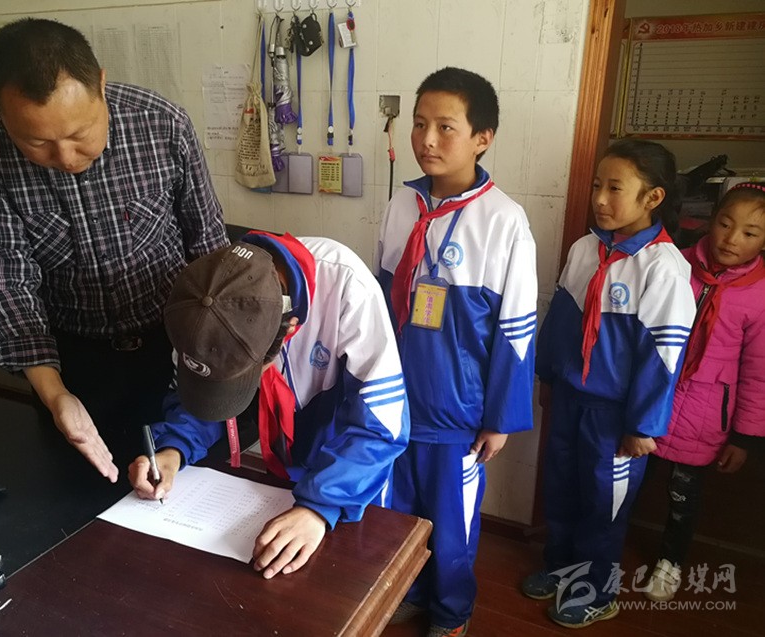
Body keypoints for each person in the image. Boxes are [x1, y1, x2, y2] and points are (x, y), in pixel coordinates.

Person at [0, 18, 228, 482]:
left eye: (79, 134)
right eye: (37, 142)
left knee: (187, 484)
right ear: (2, 115)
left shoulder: (162, 124)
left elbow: (209, 248)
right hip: (70, 361)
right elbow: (1, 276)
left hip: (174, 349)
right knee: (78, 491)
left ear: (100, 84)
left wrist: (216, 360)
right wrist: (56, 394)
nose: (64, 158)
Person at [129, 232, 410, 579]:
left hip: (349, 477)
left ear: (287, 331)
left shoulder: (347, 285)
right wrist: (174, 449)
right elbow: (202, 394)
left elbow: (382, 425)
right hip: (277, 477)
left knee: (346, 579)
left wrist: (319, 508)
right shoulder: (201, 301)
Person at [376, 67, 538, 637]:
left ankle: (451, 613)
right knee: (394, 511)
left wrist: (499, 419)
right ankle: (408, 591)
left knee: (452, 524)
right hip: (397, 400)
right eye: (419, 124)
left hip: (458, 414)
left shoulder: (503, 221)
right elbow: (380, 304)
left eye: (446, 127)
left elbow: (517, 330)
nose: (427, 139)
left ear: (482, 138)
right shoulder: (401, 204)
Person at [522, 139, 697, 628]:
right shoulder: (585, 249)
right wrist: (547, 375)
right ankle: (561, 567)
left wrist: (643, 425)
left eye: (614, 188)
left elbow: (664, 357)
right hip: (570, 400)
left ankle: (598, 590)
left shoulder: (663, 268)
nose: (599, 198)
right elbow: (560, 321)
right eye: (597, 185)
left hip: (615, 416)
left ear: (653, 197)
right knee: (561, 488)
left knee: (605, 504)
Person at [643, 182, 765, 602]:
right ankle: (604, 545)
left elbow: (758, 373)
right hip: (653, 399)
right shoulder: (675, 262)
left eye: (750, 232)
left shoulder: (760, 295)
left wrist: (744, 437)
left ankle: (671, 560)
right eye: (726, 224)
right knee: (629, 482)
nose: (732, 239)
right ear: (711, 221)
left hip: (706, 413)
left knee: (683, 496)